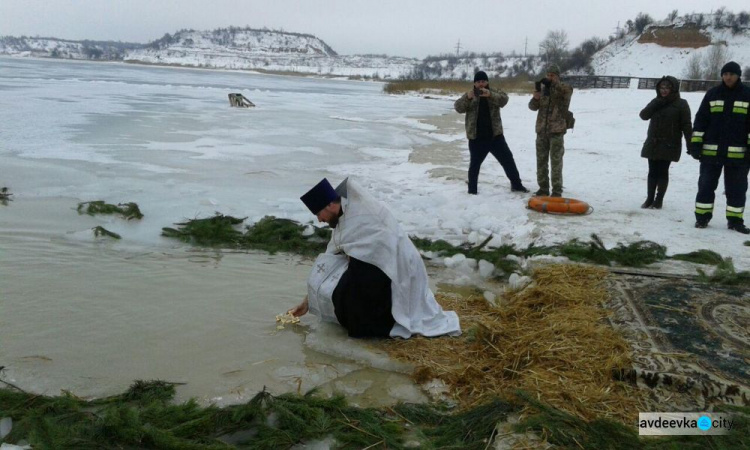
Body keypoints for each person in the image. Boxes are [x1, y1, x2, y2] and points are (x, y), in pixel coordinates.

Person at [291, 177, 461, 339]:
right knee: (341, 288)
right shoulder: (343, 218)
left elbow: (380, 256)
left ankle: (379, 323)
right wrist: (307, 303)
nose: (320, 220)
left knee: (350, 288)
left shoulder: (363, 215)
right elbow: (329, 261)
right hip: (374, 270)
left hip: (396, 273)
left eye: (319, 214)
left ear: (330, 205)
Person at [689, 61, 750, 234]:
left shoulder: (747, 95)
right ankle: (702, 218)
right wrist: (695, 145)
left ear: (738, 76)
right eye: (725, 74)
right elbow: (701, 121)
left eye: (731, 74)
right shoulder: (712, 94)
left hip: (738, 156)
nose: (728, 77)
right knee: (706, 186)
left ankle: (735, 221)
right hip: (711, 153)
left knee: (736, 189)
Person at [454, 70, 529, 195]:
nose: (481, 84)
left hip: (495, 137)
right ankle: (472, 190)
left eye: (483, 81)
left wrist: (490, 95)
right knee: (474, 165)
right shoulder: (470, 95)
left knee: (508, 160)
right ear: (474, 83)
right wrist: (468, 97)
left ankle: (516, 185)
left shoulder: (494, 92)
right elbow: (458, 107)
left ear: (487, 82)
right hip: (476, 138)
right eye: (478, 82)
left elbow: (504, 100)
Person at [638, 75, 692, 209]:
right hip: (653, 143)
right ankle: (649, 198)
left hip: (669, 144)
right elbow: (643, 115)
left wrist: (691, 143)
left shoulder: (681, 104)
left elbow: (686, 125)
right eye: (662, 87)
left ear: (673, 89)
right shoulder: (656, 101)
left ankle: (659, 199)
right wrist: (656, 103)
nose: (664, 90)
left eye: (667, 87)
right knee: (652, 171)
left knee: (663, 171)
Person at [528, 64, 573, 197]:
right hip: (542, 130)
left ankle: (557, 190)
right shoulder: (543, 90)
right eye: (548, 75)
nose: (549, 78)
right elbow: (532, 107)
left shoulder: (564, 88)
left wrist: (553, 84)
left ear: (558, 77)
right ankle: (543, 188)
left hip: (556, 131)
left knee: (556, 161)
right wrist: (536, 97)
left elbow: (566, 92)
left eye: (552, 75)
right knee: (541, 161)